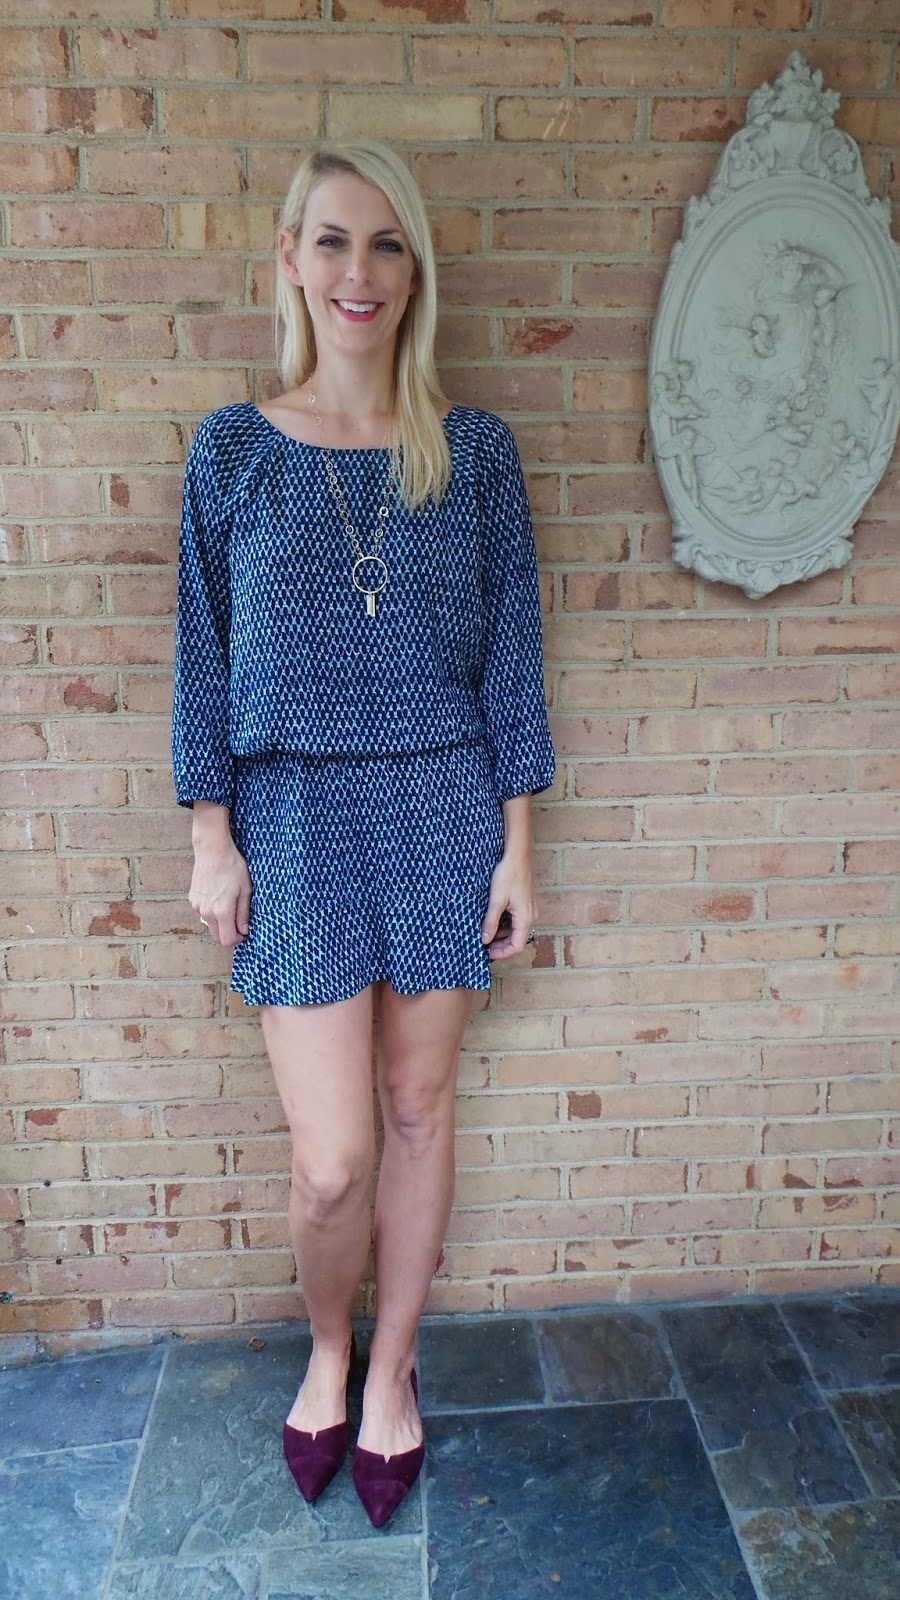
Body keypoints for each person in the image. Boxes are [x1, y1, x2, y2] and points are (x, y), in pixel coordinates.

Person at [171, 141, 555, 1527]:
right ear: (290, 259)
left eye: (388, 244)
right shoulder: (232, 452)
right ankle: (325, 1349)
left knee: (415, 1109)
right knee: (332, 1157)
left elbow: (512, 664)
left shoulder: (476, 454)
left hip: (444, 807)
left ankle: (390, 1373)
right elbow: (202, 662)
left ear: (415, 271)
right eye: (334, 240)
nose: (360, 272)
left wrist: (518, 849)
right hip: (296, 821)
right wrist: (210, 838)